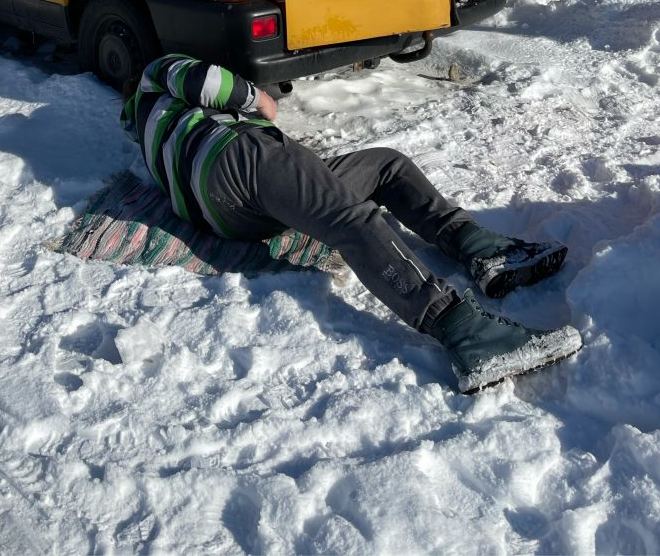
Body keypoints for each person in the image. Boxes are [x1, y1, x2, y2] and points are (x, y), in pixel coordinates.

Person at [121, 54, 581, 394]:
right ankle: (465, 332)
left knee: (386, 167)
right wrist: (256, 99)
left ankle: (481, 248)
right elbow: (203, 77)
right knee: (350, 218)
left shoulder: (145, 130)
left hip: (230, 215)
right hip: (238, 160)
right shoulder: (152, 74)